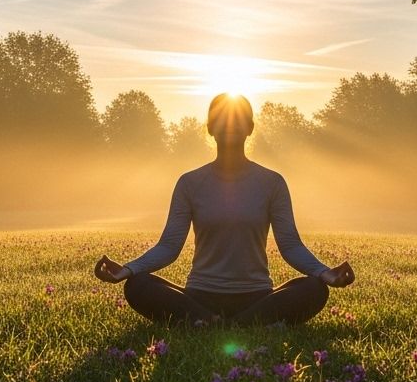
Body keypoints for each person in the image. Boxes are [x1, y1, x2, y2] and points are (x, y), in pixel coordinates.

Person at [94, 93, 354, 326]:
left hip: (256, 296)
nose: (230, 125)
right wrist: (128, 270)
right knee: (137, 285)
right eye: (221, 119)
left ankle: (218, 323)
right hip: (200, 295)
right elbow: (169, 245)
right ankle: (227, 321)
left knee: (315, 289)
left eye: (238, 119)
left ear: (250, 128)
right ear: (210, 128)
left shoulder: (272, 183)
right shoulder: (190, 183)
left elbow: (290, 245)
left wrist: (324, 273)